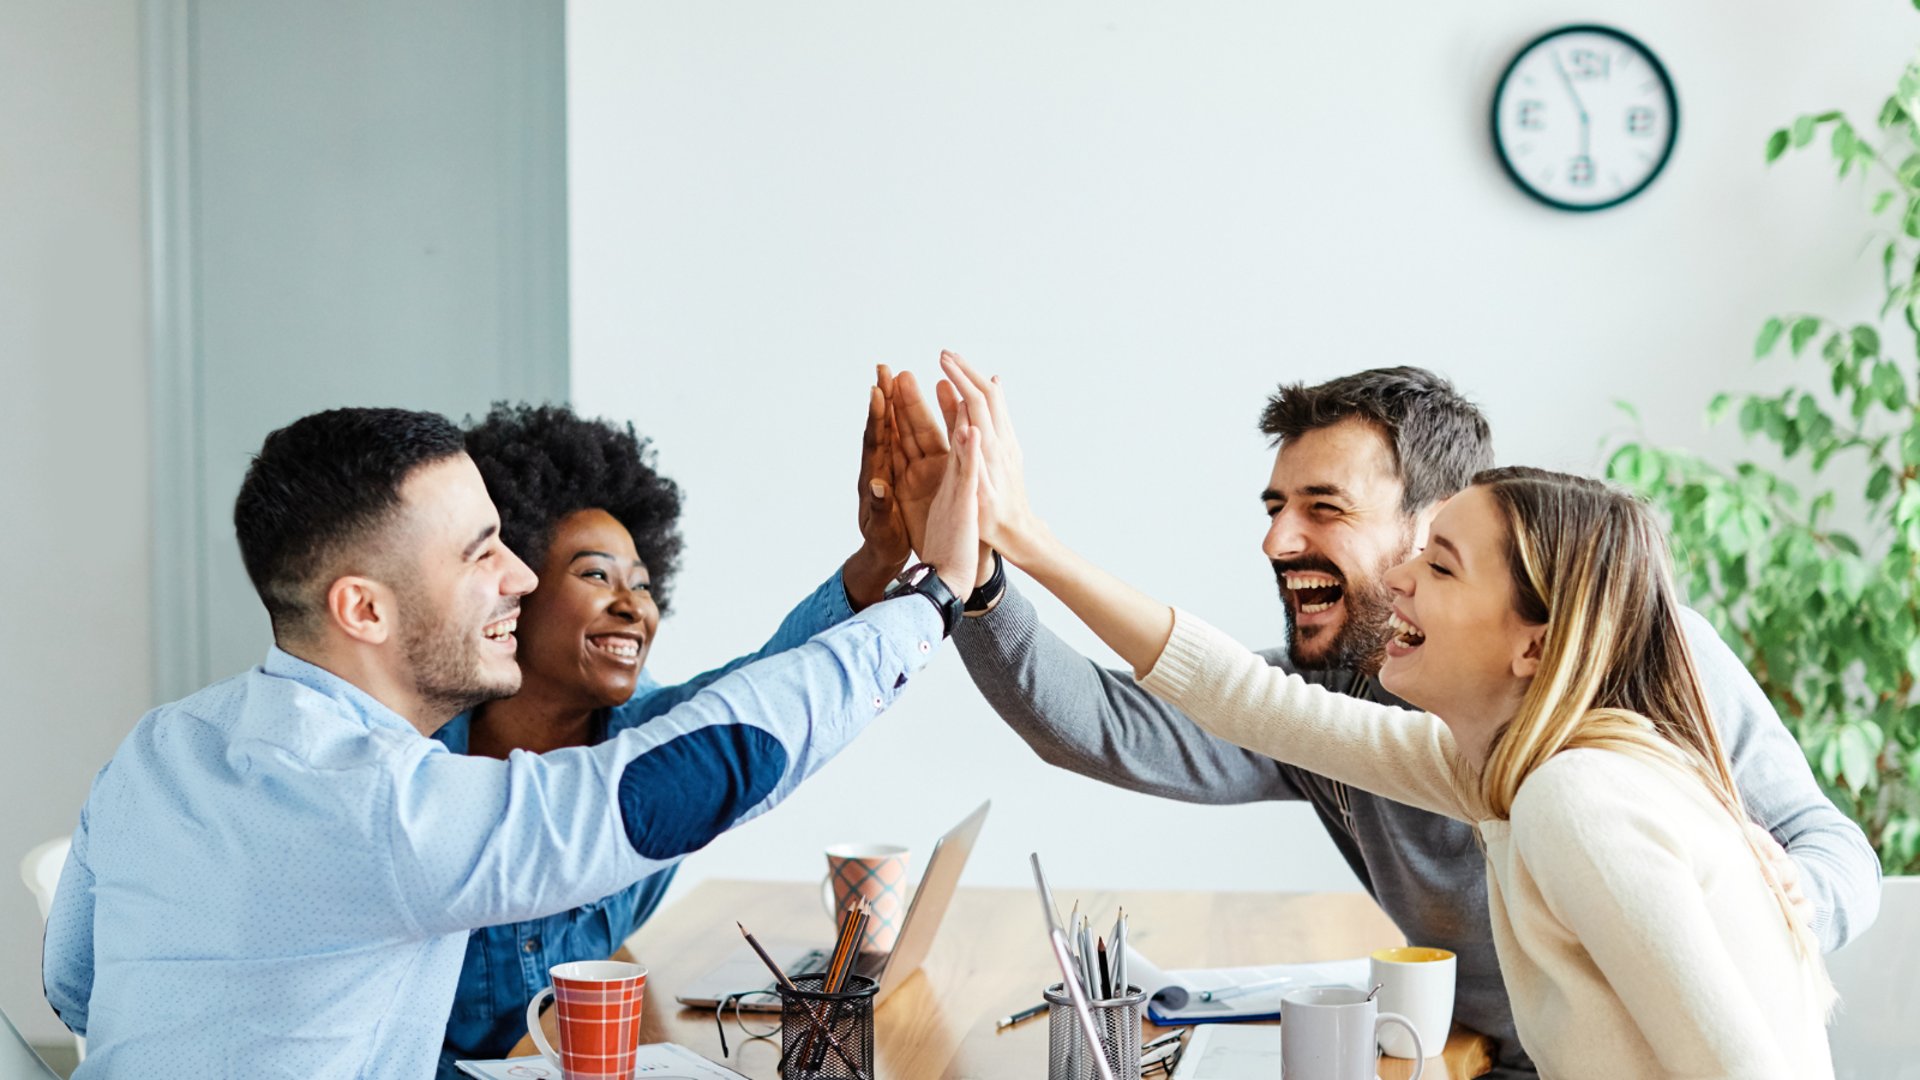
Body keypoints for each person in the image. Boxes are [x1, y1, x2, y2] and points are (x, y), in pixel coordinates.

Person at [880, 356, 1877, 1076]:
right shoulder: (1482, 756)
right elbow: (1234, 695)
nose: (1280, 541)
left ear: (1536, 641)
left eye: (1433, 561)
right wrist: (1001, 555)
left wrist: (1779, 899)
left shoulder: (1582, 794)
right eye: (1275, 505)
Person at [42, 404, 980, 1078]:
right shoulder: (390, 811)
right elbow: (691, 775)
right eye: (479, 552)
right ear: (362, 608)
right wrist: (934, 598)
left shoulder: (158, 746)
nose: (518, 578)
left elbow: (77, 986)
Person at [433, 387, 916, 1074]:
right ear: (514, 584)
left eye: (644, 584)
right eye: (596, 575)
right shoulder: (417, 766)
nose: (633, 608)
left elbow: (765, 685)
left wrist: (880, 558)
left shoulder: (653, 745)